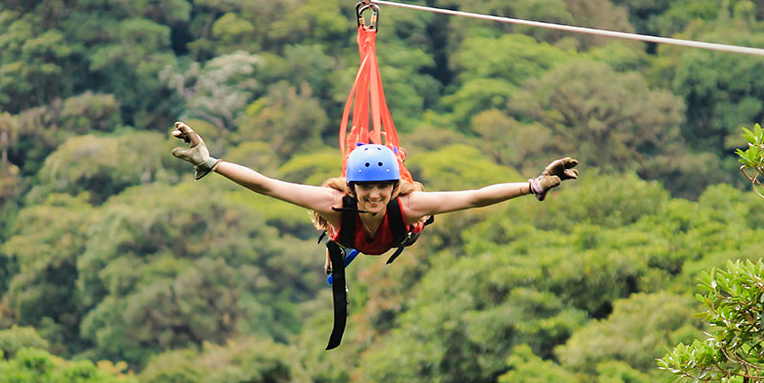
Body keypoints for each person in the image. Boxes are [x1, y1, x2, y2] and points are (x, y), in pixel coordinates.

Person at [170, 121, 579, 266]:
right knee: (347, 237)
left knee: (409, 222)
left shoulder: (409, 205)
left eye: (382, 186)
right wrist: (210, 162)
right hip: (351, 237)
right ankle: (340, 255)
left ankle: (345, 254)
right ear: (352, 187)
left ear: (392, 184)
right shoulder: (334, 206)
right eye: (366, 188)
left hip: (396, 235)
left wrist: (534, 185)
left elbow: (473, 197)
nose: (374, 195)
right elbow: (267, 185)